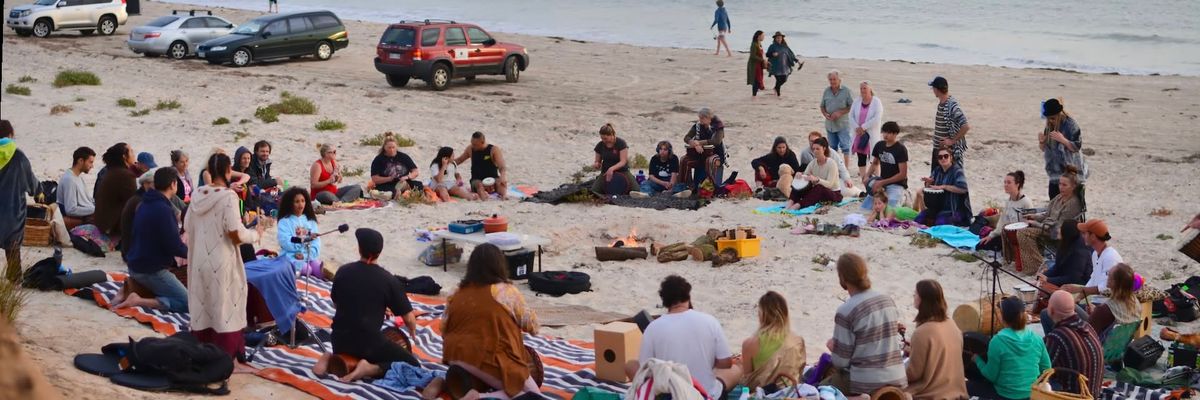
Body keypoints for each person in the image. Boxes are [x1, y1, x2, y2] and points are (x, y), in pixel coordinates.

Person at [184, 152, 265, 361]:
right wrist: (256, 234)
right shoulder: (228, 197)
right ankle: (223, 356)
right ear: (229, 171)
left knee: (205, 306)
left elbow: (187, 226)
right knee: (224, 308)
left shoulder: (197, 195)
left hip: (200, 258)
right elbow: (235, 233)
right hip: (221, 260)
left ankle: (202, 351)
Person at [313, 228, 421, 382]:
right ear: (380, 252)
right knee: (412, 364)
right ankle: (369, 368)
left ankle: (329, 357)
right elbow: (409, 318)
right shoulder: (388, 280)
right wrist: (413, 332)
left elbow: (337, 304)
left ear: (359, 249)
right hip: (367, 344)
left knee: (356, 347)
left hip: (338, 340)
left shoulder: (343, 271)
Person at [442, 244, 541, 399]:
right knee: (532, 394)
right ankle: (479, 397)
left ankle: (442, 382)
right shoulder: (505, 291)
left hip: (453, 353)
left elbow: (444, 328)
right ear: (499, 265)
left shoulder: (456, 292)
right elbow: (532, 326)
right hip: (486, 359)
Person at [627, 275, 739, 397]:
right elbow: (726, 363)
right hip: (705, 394)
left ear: (664, 301)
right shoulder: (710, 321)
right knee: (737, 369)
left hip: (670, 394)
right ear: (688, 296)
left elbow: (646, 369)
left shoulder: (653, 328)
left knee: (630, 365)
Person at [825, 253, 906, 395]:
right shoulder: (887, 300)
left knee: (820, 388)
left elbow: (841, 362)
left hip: (865, 383)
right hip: (897, 377)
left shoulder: (846, 311)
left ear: (842, 277)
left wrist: (834, 348)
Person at [111, 168, 189, 313]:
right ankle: (139, 300)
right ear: (173, 184)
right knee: (188, 303)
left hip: (134, 264)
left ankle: (130, 288)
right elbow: (174, 246)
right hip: (149, 270)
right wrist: (194, 254)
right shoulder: (163, 209)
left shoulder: (144, 203)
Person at [968, 296, 1050, 400]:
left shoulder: (997, 342)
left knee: (966, 386)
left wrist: (977, 360)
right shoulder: (1037, 339)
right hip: (1030, 394)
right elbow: (1047, 369)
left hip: (1005, 394)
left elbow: (991, 376)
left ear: (1003, 317)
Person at [905, 280, 967, 400]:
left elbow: (913, 374)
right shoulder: (951, 323)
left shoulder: (922, 332)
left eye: (916, 294)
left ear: (924, 300)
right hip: (956, 388)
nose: (913, 296)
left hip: (935, 393)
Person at [1017, 167, 1086, 267]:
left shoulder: (1073, 204)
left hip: (1056, 232)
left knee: (1024, 233)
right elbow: (1047, 215)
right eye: (1060, 184)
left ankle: (1036, 265)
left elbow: (1059, 227)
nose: (1061, 187)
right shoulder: (1058, 198)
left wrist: (1035, 224)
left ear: (1073, 186)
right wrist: (1034, 217)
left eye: (1064, 185)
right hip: (1047, 226)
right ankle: (1022, 261)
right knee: (1020, 226)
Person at [740, 291, 805, 391]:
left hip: (761, 394)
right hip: (790, 394)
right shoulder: (797, 341)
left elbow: (748, 381)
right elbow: (799, 373)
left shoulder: (749, 344)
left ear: (761, 315)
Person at [0, 120, 39, 282]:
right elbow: (31, 183)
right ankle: (14, 277)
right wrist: (38, 192)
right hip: (12, 210)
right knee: (13, 245)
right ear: (10, 135)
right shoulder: (18, 156)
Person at [1043, 290, 1103, 396]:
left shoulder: (1056, 337)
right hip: (1094, 393)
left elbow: (1042, 370)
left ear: (1051, 310)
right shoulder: (1088, 327)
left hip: (1074, 396)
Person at [977, 171, 1034, 255]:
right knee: (980, 245)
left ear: (1017, 184)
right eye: (1005, 182)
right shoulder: (1008, 201)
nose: (1006, 185)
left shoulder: (1026, 202)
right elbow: (1002, 221)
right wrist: (991, 236)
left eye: (1009, 183)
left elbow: (1030, 224)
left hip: (1020, 237)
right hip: (1006, 235)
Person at [1040, 98, 1085, 199]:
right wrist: (1042, 141)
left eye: (1052, 118)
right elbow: (1044, 149)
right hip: (1054, 174)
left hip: (1070, 174)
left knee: (1072, 207)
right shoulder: (1049, 126)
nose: (1050, 121)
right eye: (1048, 118)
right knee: (1054, 205)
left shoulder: (1071, 125)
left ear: (1059, 114)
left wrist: (1063, 140)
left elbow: (1076, 147)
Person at [95, 143, 139, 245]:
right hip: (112, 226)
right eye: (131, 151)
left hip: (103, 222)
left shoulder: (113, 171)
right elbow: (134, 202)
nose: (133, 154)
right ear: (124, 157)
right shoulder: (126, 175)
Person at [914, 149, 971, 227]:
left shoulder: (957, 171)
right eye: (940, 157)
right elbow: (929, 189)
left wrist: (944, 187)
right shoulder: (937, 170)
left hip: (954, 209)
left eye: (946, 156)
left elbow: (963, 189)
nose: (943, 159)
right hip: (937, 207)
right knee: (918, 220)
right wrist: (929, 182)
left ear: (951, 157)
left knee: (940, 224)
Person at [861, 122, 908, 210]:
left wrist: (883, 182)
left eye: (889, 133)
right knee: (866, 208)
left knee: (890, 209)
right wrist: (866, 176)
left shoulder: (901, 149)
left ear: (895, 134)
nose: (885, 135)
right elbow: (875, 163)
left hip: (896, 184)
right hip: (881, 183)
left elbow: (902, 175)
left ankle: (904, 197)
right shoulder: (879, 145)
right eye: (884, 132)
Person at [786, 138, 843, 209]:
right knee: (799, 182)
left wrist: (817, 180)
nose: (815, 151)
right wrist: (800, 175)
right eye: (814, 149)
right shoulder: (812, 163)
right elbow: (805, 176)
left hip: (833, 194)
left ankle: (797, 205)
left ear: (824, 149)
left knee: (818, 187)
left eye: (818, 149)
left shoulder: (831, 163)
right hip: (817, 192)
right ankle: (790, 203)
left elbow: (830, 185)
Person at [277, 188, 323, 276]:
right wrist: (302, 240)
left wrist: (305, 255)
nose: (300, 204)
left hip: (307, 255)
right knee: (307, 270)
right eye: (297, 201)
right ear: (290, 203)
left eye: (303, 201)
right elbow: (285, 241)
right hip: (291, 256)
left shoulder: (311, 221)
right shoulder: (284, 222)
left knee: (318, 270)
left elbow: (316, 243)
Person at [929, 76, 970, 173]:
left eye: (933, 88)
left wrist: (952, 141)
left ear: (937, 89)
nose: (932, 91)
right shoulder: (942, 104)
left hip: (947, 152)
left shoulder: (952, 106)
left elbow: (966, 126)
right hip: (938, 150)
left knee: (951, 179)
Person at [454, 132, 509, 201]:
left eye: (475, 144)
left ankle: (504, 196)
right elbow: (459, 160)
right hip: (477, 179)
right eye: (472, 143)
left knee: (501, 183)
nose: (473, 146)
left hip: (493, 178)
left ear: (482, 142)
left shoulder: (493, 150)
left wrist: (503, 176)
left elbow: (502, 166)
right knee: (479, 185)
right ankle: (485, 200)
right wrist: (446, 165)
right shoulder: (470, 149)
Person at [682, 108, 726, 192]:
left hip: (716, 154)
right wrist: (694, 143)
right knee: (684, 160)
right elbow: (686, 138)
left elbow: (716, 141)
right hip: (699, 154)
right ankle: (686, 185)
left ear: (709, 118)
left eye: (702, 118)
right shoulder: (698, 125)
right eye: (700, 118)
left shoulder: (718, 126)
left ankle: (710, 187)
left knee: (710, 161)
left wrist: (699, 143)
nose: (700, 120)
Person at [821, 70, 855, 172]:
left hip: (843, 124)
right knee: (832, 148)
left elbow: (852, 106)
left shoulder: (846, 91)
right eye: (830, 79)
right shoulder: (826, 91)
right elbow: (822, 106)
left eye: (834, 79)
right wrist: (825, 114)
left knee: (845, 147)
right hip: (830, 124)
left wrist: (840, 112)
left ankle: (846, 168)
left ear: (839, 80)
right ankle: (834, 168)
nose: (832, 81)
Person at [849, 81, 884, 178]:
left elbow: (877, 118)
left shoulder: (876, 101)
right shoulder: (857, 101)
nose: (862, 90)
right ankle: (864, 178)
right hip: (859, 134)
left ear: (870, 89)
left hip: (871, 134)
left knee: (874, 158)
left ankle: (877, 177)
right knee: (861, 157)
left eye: (865, 88)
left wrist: (863, 127)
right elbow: (851, 115)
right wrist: (857, 127)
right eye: (861, 88)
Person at [591, 123, 637, 196]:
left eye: (605, 138)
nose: (603, 140)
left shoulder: (621, 143)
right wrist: (597, 164)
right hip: (606, 172)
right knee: (594, 191)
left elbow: (623, 161)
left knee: (636, 189)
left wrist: (611, 169)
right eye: (602, 138)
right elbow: (597, 161)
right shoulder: (600, 145)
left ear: (611, 135)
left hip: (622, 170)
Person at [371, 133, 420, 199]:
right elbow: (375, 179)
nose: (391, 150)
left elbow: (415, 172)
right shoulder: (378, 159)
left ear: (397, 146)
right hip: (386, 184)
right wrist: (389, 178)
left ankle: (402, 192)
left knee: (419, 186)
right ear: (384, 147)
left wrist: (407, 177)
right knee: (387, 193)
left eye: (393, 147)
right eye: (389, 148)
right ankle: (396, 194)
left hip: (403, 182)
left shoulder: (404, 157)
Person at [59, 146, 97, 226]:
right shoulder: (69, 180)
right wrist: (96, 210)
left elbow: (88, 200)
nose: (92, 166)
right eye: (90, 162)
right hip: (83, 219)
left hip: (90, 213)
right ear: (80, 161)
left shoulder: (78, 177)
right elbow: (71, 210)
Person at [765, 32, 798, 97]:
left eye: (780, 38)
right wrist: (772, 54)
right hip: (775, 66)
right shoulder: (772, 46)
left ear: (782, 38)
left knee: (784, 79)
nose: (779, 39)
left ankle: (775, 88)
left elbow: (791, 54)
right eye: (777, 38)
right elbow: (767, 54)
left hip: (784, 66)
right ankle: (778, 94)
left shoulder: (785, 46)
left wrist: (796, 60)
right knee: (779, 80)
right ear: (775, 39)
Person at [747, 31, 767, 98]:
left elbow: (761, 54)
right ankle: (753, 96)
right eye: (762, 36)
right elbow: (753, 56)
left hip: (759, 64)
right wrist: (762, 60)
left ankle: (755, 94)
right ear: (759, 36)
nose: (763, 37)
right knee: (756, 80)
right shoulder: (754, 44)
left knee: (759, 78)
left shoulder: (759, 44)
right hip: (754, 65)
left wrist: (765, 60)